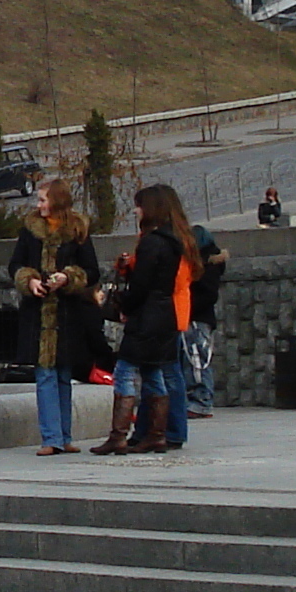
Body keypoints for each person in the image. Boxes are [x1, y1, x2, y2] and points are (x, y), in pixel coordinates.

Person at [95, 183, 193, 457]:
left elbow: (141, 286)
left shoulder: (152, 242)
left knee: (125, 371)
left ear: (150, 209)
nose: (136, 210)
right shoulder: (174, 241)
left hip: (147, 317)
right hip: (165, 314)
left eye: (139, 205)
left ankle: (119, 435)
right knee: (152, 372)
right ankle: (156, 435)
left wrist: (123, 303)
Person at [10, 177, 100, 454]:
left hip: (67, 313)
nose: (39, 205)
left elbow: (92, 271)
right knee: (45, 374)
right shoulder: (30, 230)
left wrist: (68, 277)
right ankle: (51, 438)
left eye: (43, 200)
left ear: (57, 201)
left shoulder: (78, 230)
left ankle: (64, 436)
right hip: (38, 313)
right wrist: (30, 281)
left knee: (63, 374)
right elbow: (15, 264)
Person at [181, 199, 226, 419]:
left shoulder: (206, 269)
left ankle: (201, 401)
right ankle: (198, 399)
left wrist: (187, 310)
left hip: (196, 318)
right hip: (196, 317)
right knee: (194, 360)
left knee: (197, 360)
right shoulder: (209, 267)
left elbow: (207, 295)